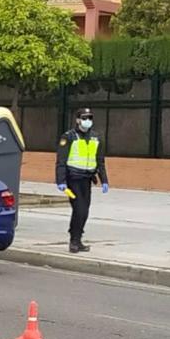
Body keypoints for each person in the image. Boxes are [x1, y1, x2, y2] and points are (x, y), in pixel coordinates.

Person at [56, 107, 109, 254]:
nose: (87, 121)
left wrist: (104, 180)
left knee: (84, 212)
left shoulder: (96, 137)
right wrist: (60, 181)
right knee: (80, 210)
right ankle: (73, 240)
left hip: (87, 179)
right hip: (73, 179)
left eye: (90, 118)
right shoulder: (69, 137)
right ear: (78, 120)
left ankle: (78, 240)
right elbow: (61, 160)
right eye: (84, 118)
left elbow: (100, 161)